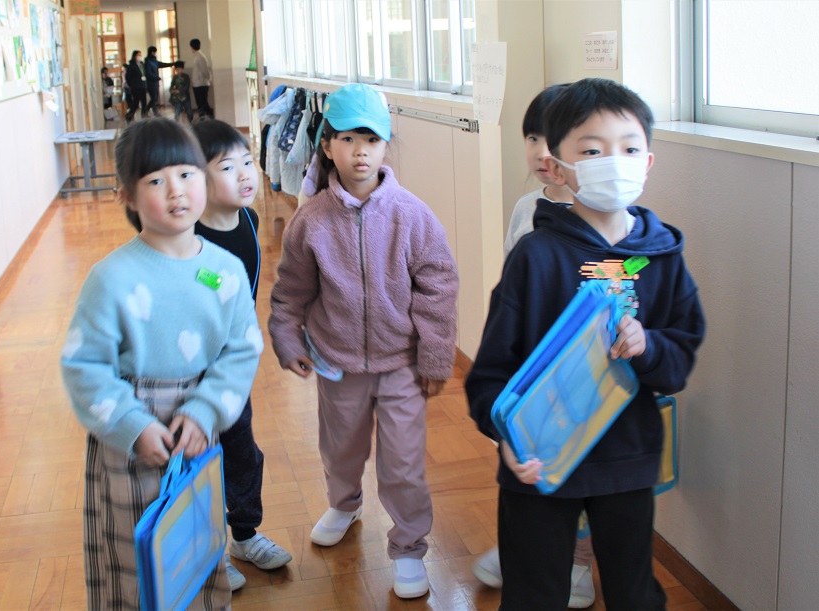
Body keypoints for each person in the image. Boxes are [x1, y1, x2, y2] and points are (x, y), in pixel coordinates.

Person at [466, 78, 706, 609]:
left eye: (629, 148)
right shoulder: (535, 256)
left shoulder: (662, 256)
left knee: (633, 592)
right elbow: (490, 371)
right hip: (539, 463)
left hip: (627, 460)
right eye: (592, 151)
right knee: (534, 594)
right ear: (556, 167)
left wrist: (647, 346)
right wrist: (505, 436)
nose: (613, 162)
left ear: (648, 162)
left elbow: (679, 358)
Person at [60, 118, 262, 609]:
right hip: (130, 438)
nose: (176, 190)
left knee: (196, 549)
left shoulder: (225, 271)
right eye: (155, 180)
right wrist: (132, 426)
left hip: (199, 431)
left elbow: (242, 348)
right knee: (138, 562)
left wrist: (206, 410)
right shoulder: (111, 278)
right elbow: (84, 365)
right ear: (127, 196)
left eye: (187, 174)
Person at [268, 83, 459, 600]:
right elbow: (291, 290)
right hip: (338, 363)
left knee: (403, 462)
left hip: (401, 365)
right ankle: (345, 502)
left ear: (385, 145)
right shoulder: (310, 221)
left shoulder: (411, 214)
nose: (360, 152)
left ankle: (409, 547)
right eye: (348, 139)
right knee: (341, 448)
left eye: (371, 140)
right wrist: (287, 338)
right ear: (328, 145)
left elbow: (439, 286)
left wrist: (435, 355)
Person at [472, 83, 599, 610]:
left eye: (555, 139)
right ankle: (523, 551)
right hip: (531, 368)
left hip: (585, 371)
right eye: (532, 138)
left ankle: (579, 564)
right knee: (528, 461)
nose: (542, 152)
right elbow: (511, 286)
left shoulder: (600, 211)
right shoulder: (526, 208)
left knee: (579, 467)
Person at [191, 119, 293, 591]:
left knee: (241, 450)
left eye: (248, 161)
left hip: (232, 367)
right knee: (199, 461)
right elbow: (197, 288)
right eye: (227, 167)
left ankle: (244, 536)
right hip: (192, 373)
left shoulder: (250, 221)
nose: (245, 173)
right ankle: (206, 552)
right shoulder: (189, 237)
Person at [144, 46, 175, 117]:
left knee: (155, 98)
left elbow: (162, 64)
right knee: (154, 98)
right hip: (150, 84)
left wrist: (172, 64)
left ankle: (147, 110)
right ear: (152, 52)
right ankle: (154, 112)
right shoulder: (148, 62)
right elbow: (148, 73)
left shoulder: (154, 61)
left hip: (155, 83)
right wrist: (157, 77)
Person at [189, 38, 213, 119]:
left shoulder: (200, 57)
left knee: (202, 103)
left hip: (201, 84)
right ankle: (204, 117)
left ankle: (207, 117)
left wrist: (209, 78)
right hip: (197, 83)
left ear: (192, 47)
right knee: (201, 103)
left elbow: (205, 70)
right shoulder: (197, 56)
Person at [123, 50, 148, 122]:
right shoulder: (131, 66)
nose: (140, 56)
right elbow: (128, 77)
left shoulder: (141, 65)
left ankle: (144, 117)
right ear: (134, 56)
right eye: (138, 55)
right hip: (136, 87)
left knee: (144, 102)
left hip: (142, 86)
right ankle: (129, 115)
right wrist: (131, 85)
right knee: (136, 103)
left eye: (140, 55)